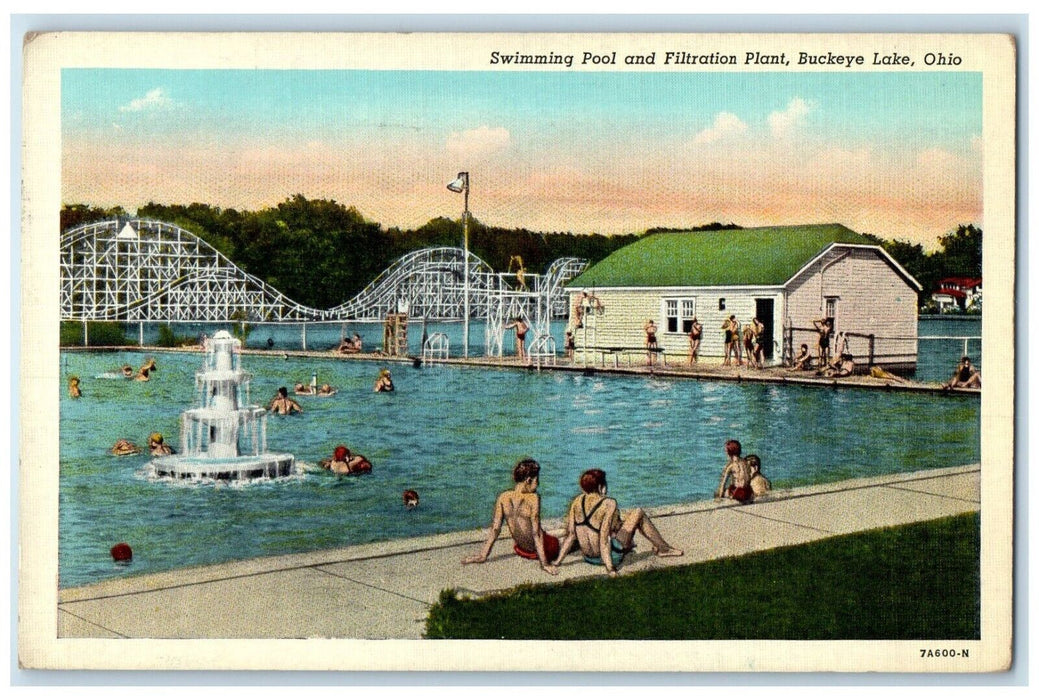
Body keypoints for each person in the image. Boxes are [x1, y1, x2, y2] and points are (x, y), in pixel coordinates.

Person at [552, 469, 682, 577]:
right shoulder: (609, 503)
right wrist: (611, 569)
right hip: (609, 557)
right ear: (601, 487)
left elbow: (571, 535)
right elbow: (603, 539)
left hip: (588, 557)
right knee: (638, 513)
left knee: (623, 523)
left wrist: (557, 562)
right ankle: (664, 549)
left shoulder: (577, 501)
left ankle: (643, 546)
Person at [462, 458, 560, 575]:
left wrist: (483, 555)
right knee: (566, 542)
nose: (537, 485)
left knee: (559, 535)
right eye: (536, 481)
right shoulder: (533, 498)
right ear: (528, 480)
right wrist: (545, 564)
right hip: (541, 550)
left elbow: (495, 529)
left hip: (521, 549)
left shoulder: (503, 497)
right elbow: (536, 533)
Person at [715, 439, 753, 503]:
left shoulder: (731, 465)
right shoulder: (745, 462)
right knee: (732, 486)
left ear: (729, 452)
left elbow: (723, 483)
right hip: (749, 492)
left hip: (739, 493)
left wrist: (720, 496)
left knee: (719, 492)